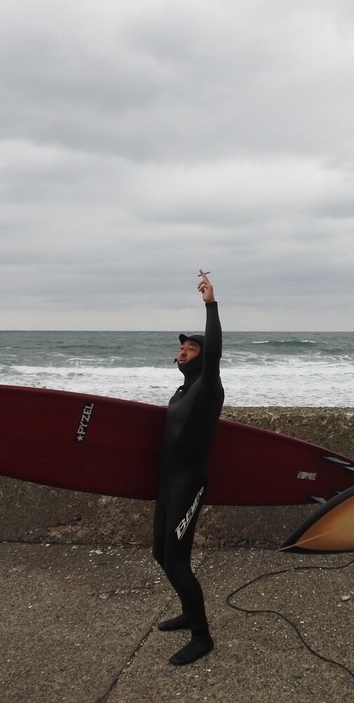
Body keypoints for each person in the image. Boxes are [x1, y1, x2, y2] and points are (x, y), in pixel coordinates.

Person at [152, 270, 224, 666]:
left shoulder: (207, 386)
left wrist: (211, 305)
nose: (183, 352)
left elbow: (213, 353)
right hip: (167, 484)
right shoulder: (181, 391)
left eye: (191, 349)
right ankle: (188, 612)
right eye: (181, 349)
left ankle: (202, 635)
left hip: (188, 483)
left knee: (177, 560)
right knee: (160, 555)